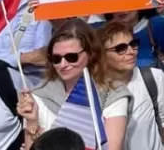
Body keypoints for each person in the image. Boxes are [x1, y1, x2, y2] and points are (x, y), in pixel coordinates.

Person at [19, 22, 130, 150]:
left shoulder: (112, 93)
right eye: (56, 58)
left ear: (90, 54)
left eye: (71, 57)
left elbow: (112, 148)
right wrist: (32, 122)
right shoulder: (38, 94)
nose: (63, 64)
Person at [98, 21, 164, 150]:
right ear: (102, 55)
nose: (131, 52)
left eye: (133, 44)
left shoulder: (154, 77)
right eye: (121, 49)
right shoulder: (94, 90)